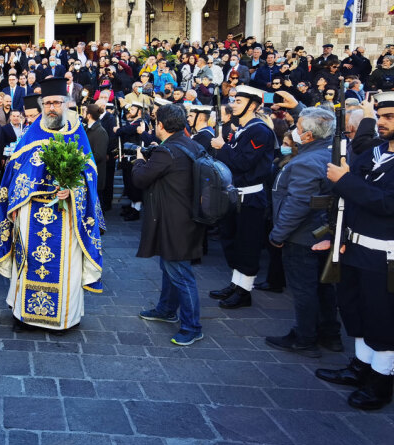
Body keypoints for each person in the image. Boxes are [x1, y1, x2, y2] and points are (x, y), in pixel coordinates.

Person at [0, 78, 105, 333]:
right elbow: (15, 172)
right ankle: (25, 316)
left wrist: (73, 190)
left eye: (57, 102)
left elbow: (89, 174)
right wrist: (26, 193)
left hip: (67, 216)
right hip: (31, 212)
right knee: (30, 262)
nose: (52, 107)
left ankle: (64, 317)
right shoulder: (32, 134)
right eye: (48, 103)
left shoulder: (78, 133)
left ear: (66, 104)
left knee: (65, 266)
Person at [316, 91, 394, 410]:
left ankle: (381, 380)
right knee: (355, 310)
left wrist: (345, 180)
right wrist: (335, 235)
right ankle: (361, 367)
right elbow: (349, 197)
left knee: (382, 319)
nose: (382, 123)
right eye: (381, 116)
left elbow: (386, 203)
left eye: (390, 118)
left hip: (384, 255)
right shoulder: (375, 150)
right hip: (354, 245)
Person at [264, 107, 340, 357]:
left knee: (305, 289)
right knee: (323, 287)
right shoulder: (331, 153)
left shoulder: (307, 161)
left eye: (297, 128)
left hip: (303, 236)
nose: (293, 131)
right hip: (320, 232)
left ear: (307, 136)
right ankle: (330, 334)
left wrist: (279, 234)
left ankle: (305, 337)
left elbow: (298, 203)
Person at [132, 104, 206, 345]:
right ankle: (166, 309)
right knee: (170, 267)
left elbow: (141, 178)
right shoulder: (191, 144)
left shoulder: (168, 151)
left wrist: (139, 160)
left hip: (175, 222)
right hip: (186, 218)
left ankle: (192, 326)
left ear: (160, 125)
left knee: (181, 274)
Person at [209, 85, 277, 308]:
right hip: (234, 194)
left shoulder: (260, 131)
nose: (234, 105)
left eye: (239, 101)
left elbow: (243, 163)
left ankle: (245, 291)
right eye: (234, 100)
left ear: (254, 105)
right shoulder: (242, 128)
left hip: (250, 198)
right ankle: (236, 283)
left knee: (247, 245)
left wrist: (223, 146)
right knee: (232, 241)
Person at [84, 104, 110, 195]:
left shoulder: (100, 131)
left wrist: (82, 159)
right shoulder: (87, 129)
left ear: (88, 115)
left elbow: (99, 155)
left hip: (95, 175)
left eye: (84, 111)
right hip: (88, 173)